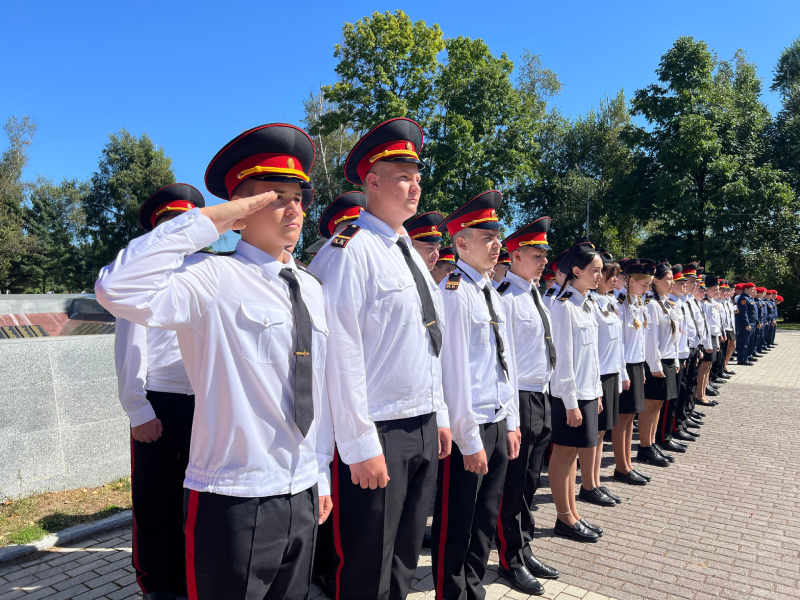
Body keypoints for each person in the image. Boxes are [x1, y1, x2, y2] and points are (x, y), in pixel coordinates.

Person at [96, 123, 334, 600]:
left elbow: (314, 386)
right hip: (235, 498)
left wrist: (320, 471)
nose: (294, 208)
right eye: (274, 196)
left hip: (302, 490)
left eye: (299, 196)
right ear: (241, 209)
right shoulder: (210, 277)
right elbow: (115, 289)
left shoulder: (309, 286)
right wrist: (212, 220)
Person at [310, 117, 452, 600]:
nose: (415, 187)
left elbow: (426, 343)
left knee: (405, 557)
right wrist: (358, 443)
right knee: (367, 564)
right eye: (402, 177)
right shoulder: (348, 251)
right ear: (371, 182)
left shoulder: (408, 250)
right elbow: (339, 354)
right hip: (379, 431)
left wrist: (442, 414)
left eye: (417, 177)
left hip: (421, 423)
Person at [116, 183, 204, 600]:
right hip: (162, 404)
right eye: (172, 223)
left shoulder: (211, 267)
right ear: (157, 230)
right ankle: (159, 584)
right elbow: (130, 345)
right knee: (157, 501)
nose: (180, 230)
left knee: (202, 500)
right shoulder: (145, 273)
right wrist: (138, 409)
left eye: (187, 221)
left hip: (209, 403)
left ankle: (195, 577)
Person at [433, 190, 520, 600]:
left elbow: (506, 365)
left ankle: (474, 588)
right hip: (472, 425)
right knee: (458, 523)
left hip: (497, 419)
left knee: (486, 517)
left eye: (497, 236)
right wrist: (468, 439)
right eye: (486, 237)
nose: (496, 244)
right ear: (461, 243)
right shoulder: (453, 293)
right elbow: (454, 374)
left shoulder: (490, 292)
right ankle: (452, 592)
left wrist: (513, 421)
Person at [494, 217, 560, 595]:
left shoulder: (534, 294)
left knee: (530, 481)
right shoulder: (506, 298)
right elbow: (506, 360)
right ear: (516, 255)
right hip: (518, 396)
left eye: (544, 256)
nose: (542, 262)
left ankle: (525, 544)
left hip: (541, 393)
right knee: (513, 484)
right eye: (536, 255)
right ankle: (509, 557)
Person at [548, 239, 604, 542]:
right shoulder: (564, 307)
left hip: (585, 392)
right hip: (569, 395)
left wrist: (594, 393)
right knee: (564, 454)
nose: (599, 275)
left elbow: (591, 357)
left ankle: (573, 512)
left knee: (571, 456)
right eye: (594, 270)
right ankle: (564, 517)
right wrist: (571, 402)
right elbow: (563, 360)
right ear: (576, 270)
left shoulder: (586, 303)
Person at [581, 248, 627, 506]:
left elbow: (617, 343)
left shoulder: (609, 302)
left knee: (601, 433)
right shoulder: (591, 303)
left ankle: (596, 481)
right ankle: (588, 484)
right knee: (594, 433)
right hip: (596, 375)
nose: (613, 280)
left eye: (614, 276)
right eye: (610, 275)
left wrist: (621, 373)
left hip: (610, 373)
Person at [611, 259, 654, 485]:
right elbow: (618, 344)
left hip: (636, 365)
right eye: (644, 284)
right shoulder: (620, 304)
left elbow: (639, 340)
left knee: (630, 418)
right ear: (629, 281)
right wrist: (624, 373)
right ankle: (621, 466)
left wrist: (641, 368)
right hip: (624, 366)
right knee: (622, 418)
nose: (647, 289)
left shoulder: (637, 303)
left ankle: (628, 464)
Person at [638, 260, 680, 468]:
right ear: (656, 281)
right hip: (657, 362)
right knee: (650, 406)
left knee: (659, 405)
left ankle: (652, 442)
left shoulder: (665, 302)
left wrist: (675, 359)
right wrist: (655, 366)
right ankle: (644, 446)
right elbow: (650, 339)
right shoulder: (652, 304)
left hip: (668, 359)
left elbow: (672, 337)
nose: (672, 283)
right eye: (669, 279)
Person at [657, 265, 689, 453]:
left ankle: (667, 434)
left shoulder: (671, 303)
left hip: (675, 356)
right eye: (680, 282)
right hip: (663, 360)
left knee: (673, 399)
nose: (685, 286)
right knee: (665, 403)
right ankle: (663, 437)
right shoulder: (659, 303)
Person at [697, 276, 723, 408]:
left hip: (713, 337)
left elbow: (716, 324)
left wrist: (717, 341)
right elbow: (705, 325)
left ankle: (703, 392)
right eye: (715, 290)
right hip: (707, 338)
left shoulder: (713, 303)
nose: (717, 292)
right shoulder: (705, 304)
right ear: (706, 290)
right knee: (704, 368)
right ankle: (700, 395)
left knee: (708, 367)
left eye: (718, 290)